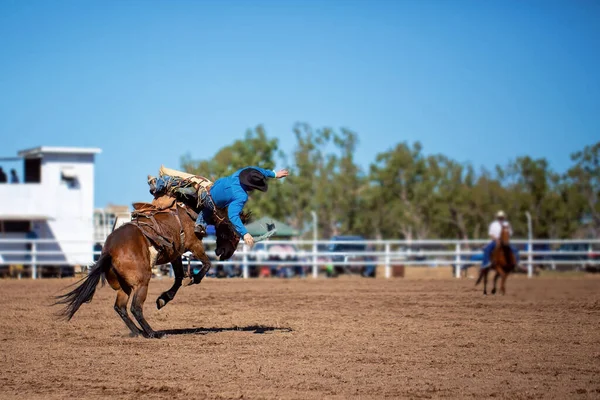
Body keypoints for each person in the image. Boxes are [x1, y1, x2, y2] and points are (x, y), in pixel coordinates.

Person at [195, 167, 288, 248]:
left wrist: (274, 174)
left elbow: (258, 170)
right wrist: (245, 234)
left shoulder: (240, 173)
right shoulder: (241, 196)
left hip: (211, 188)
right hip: (209, 201)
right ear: (252, 186)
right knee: (211, 211)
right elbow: (233, 216)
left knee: (215, 197)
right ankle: (200, 223)